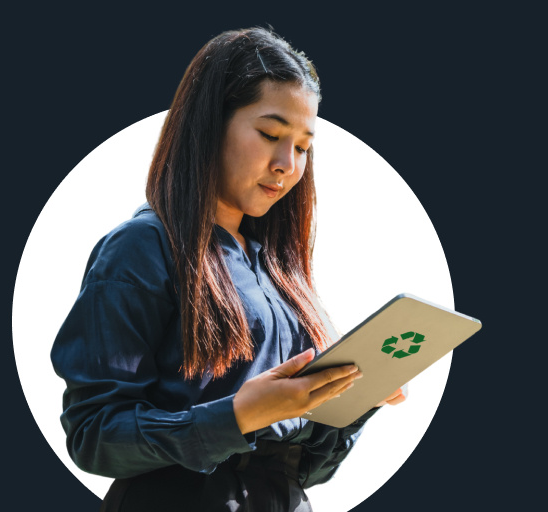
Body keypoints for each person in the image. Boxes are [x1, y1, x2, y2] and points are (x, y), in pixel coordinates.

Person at [51, 27, 405, 512]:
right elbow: (94, 436)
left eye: (303, 146)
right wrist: (237, 417)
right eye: (270, 134)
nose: (287, 163)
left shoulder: (282, 273)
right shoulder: (142, 248)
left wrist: (352, 403)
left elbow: (305, 470)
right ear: (209, 124)